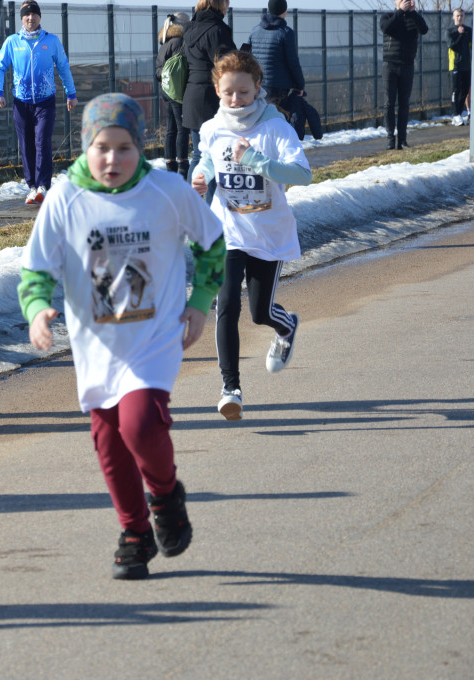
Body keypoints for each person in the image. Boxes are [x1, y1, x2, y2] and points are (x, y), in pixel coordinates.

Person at [18, 93, 226, 580]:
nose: (113, 159)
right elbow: (35, 271)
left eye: (125, 147)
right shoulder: (65, 198)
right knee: (109, 443)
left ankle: (165, 495)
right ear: (86, 146)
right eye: (102, 147)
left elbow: (214, 246)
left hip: (153, 338)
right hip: (98, 346)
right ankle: (135, 533)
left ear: (141, 147)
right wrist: (36, 312)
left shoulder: (167, 191)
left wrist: (199, 304)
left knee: (140, 426)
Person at [190, 50, 312, 421]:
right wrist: (201, 176)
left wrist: (256, 162)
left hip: (267, 232)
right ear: (217, 90)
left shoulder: (275, 128)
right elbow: (209, 159)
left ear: (257, 88)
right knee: (225, 304)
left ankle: (286, 324)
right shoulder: (213, 127)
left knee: (260, 312)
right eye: (228, 92)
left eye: (243, 92)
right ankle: (231, 389)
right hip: (226, 230)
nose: (235, 99)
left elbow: (302, 174)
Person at [0, 0, 77, 206]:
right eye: (26, 15)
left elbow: (63, 67)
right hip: (21, 102)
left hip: (45, 101)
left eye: (34, 14)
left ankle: (43, 186)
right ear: (22, 18)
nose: (31, 18)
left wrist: (71, 93)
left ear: (40, 17)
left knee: (42, 141)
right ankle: (31, 186)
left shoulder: (52, 41)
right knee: (27, 144)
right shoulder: (13, 41)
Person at [180, 0, 236, 193]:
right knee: (215, 157)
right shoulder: (218, 30)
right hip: (212, 98)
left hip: (192, 95)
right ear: (221, 4)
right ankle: (213, 212)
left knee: (198, 155)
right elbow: (228, 66)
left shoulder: (189, 28)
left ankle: (190, 207)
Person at [247, 0, 307, 138]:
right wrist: (300, 85)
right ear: (284, 11)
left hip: (258, 84)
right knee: (279, 121)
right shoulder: (286, 33)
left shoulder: (255, 30)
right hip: (279, 87)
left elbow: (246, 54)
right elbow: (293, 62)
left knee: (261, 120)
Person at [380, 0, 428, 150]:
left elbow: (424, 29)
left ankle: (402, 140)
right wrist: (400, 11)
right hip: (390, 65)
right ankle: (390, 139)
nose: (406, 2)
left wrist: (413, 12)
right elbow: (386, 28)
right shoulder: (388, 16)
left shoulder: (413, 17)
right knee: (389, 103)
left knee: (404, 104)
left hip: (407, 65)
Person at [155, 11, 189, 176]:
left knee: (171, 129)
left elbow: (158, 70)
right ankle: (182, 164)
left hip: (165, 89)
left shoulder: (165, 42)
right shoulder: (181, 42)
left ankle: (170, 163)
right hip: (177, 91)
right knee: (182, 128)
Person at [448, 8, 472, 126]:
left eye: (461, 15)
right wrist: (460, 35)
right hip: (455, 66)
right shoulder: (450, 31)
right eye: (457, 16)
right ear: (453, 17)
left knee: (465, 90)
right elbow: (453, 46)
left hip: (467, 66)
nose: (459, 18)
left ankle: (459, 113)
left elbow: (473, 44)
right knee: (456, 91)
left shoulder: (469, 30)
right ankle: (456, 114)